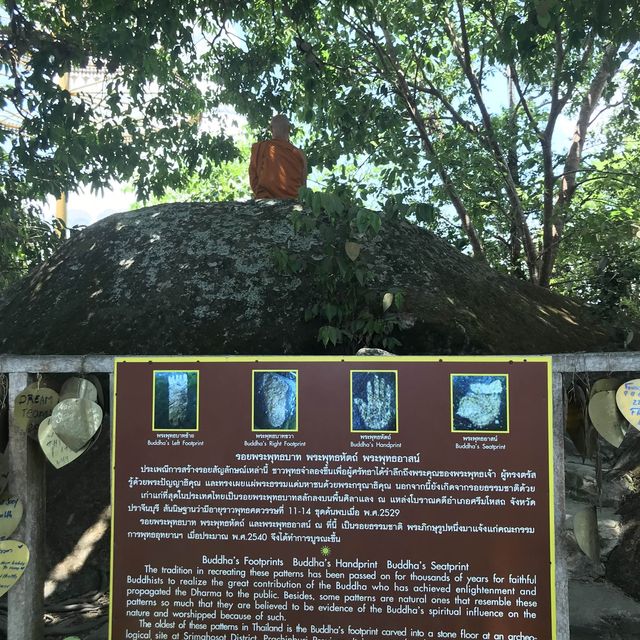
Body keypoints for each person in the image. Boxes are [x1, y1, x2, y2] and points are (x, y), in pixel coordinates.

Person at [249, 114, 307, 199]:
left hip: (265, 200)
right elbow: (303, 187)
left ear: (271, 129)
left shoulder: (261, 148)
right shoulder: (299, 154)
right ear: (289, 129)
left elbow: (253, 179)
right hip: (293, 202)